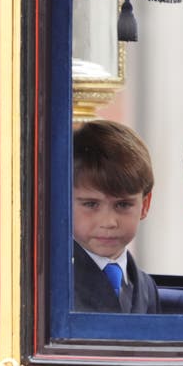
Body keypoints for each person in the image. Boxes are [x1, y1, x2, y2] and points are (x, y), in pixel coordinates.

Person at [72, 120, 160, 313]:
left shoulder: (146, 287)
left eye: (123, 205)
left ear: (145, 205)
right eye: (91, 204)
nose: (109, 222)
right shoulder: (50, 283)